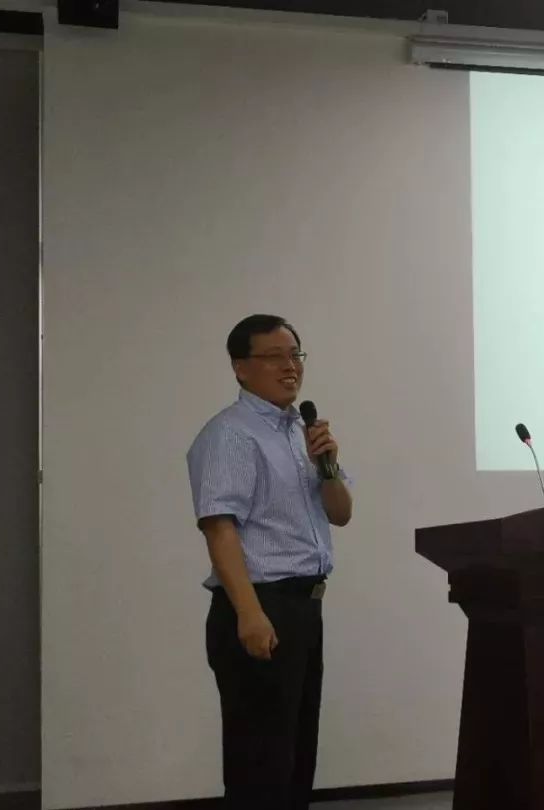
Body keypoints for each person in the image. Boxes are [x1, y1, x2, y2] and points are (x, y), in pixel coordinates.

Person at [186, 314, 352, 809]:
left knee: (295, 758)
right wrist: (250, 613)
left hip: (303, 608)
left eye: (295, 355)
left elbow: (341, 513)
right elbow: (219, 528)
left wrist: (327, 466)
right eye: (274, 356)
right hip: (260, 605)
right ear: (240, 367)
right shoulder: (230, 434)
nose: (290, 366)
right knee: (259, 765)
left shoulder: (303, 434)